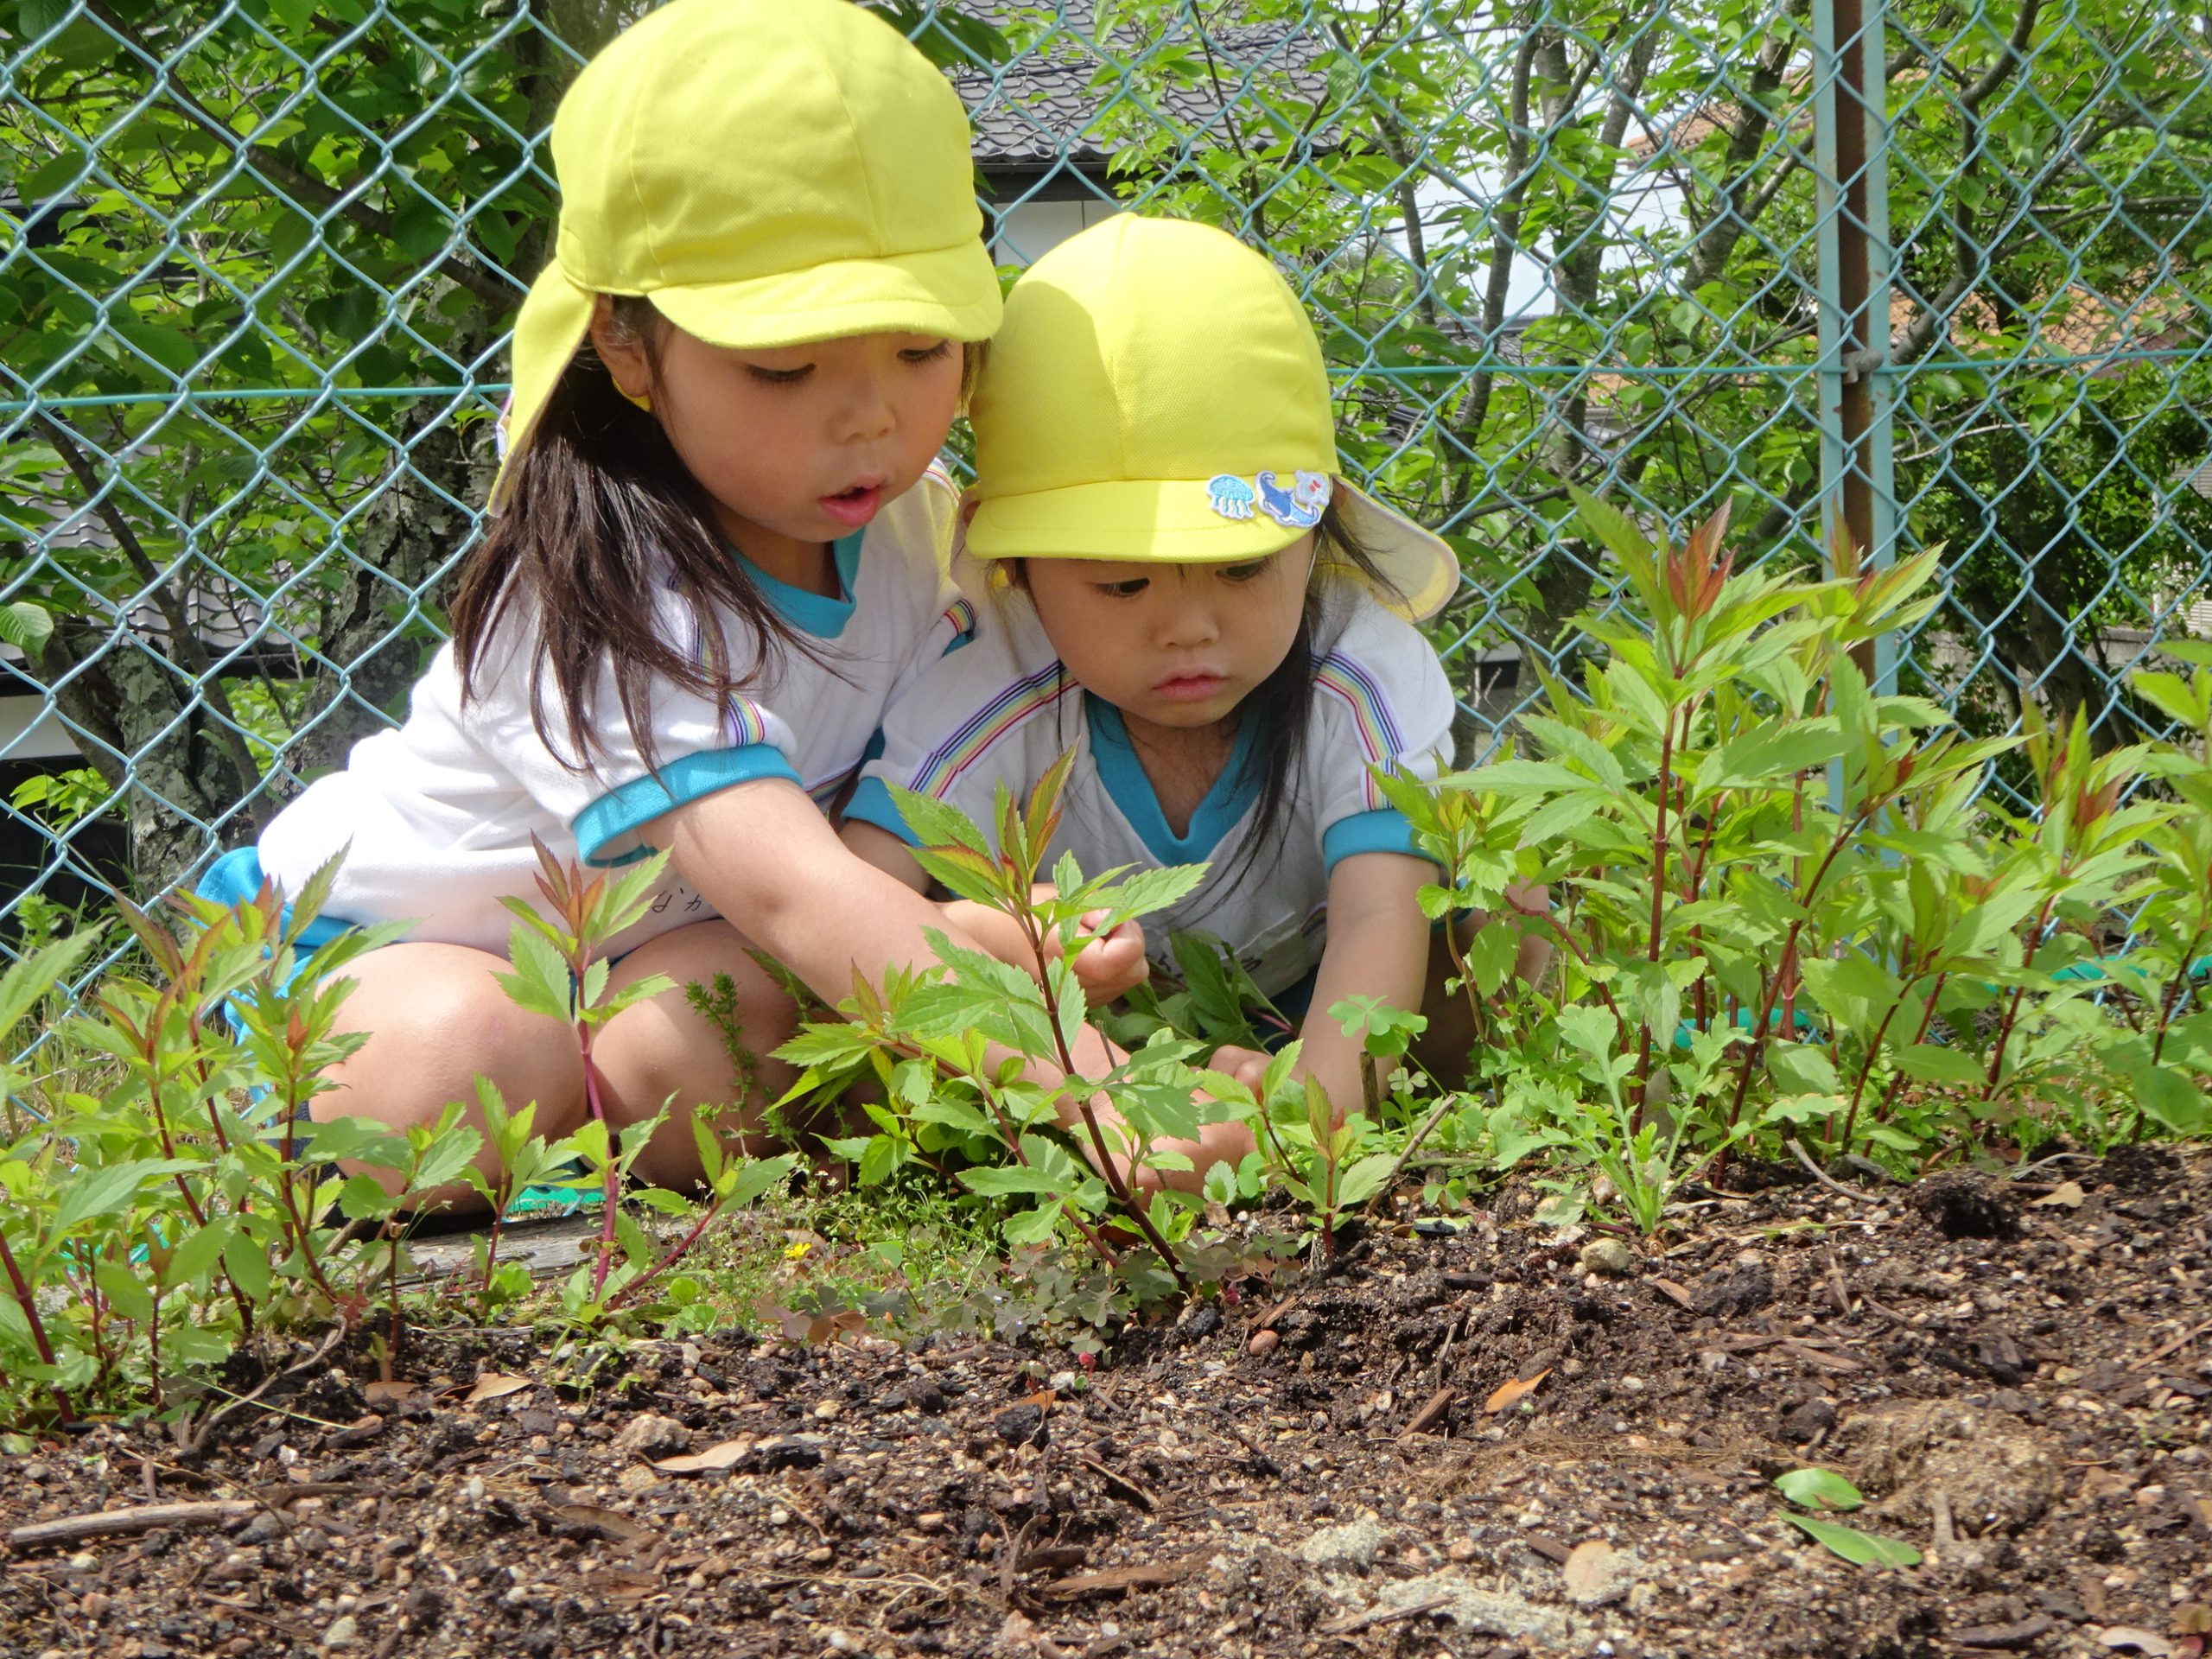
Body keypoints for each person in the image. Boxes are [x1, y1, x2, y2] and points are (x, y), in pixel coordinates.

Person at [199, 0, 1069, 1197]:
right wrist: (1090, 1094)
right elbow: (786, 882)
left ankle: (587, 1122)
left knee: (727, 1025)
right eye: (785, 367)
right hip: (384, 951)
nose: (871, 414)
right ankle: (340, 1105)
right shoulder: (588, 590)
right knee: (457, 1069)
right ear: (626, 346)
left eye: (923, 349)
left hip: (636, 955)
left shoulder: (923, 536)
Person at [843, 215, 1548, 1189]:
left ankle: (1477, 1125)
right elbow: (856, 888)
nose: (1188, 628)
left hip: (1347, 1007)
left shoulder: (1359, 665)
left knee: (1522, 918)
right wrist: (990, 936)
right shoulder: (992, 677)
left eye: (1242, 567)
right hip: (1086, 1045)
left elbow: (1380, 917)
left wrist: (1301, 1123)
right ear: (1018, 569)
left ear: (1320, 531)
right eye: (1121, 587)